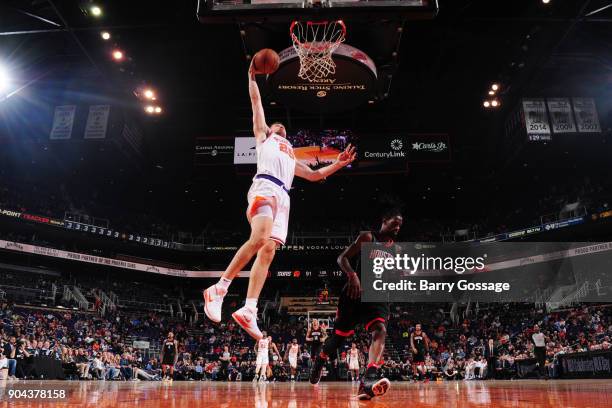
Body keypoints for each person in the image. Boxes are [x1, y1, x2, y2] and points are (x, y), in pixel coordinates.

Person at [203, 60, 356, 340]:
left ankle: (249, 309)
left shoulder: (291, 155)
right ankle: (219, 288)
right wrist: (251, 76)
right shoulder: (264, 137)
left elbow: (314, 175)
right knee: (260, 237)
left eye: (282, 125)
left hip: (284, 197)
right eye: (277, 124)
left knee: (269, 251)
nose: (280, 125)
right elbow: (256, 102)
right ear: (271, 131)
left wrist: (338, 163)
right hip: (265, 187)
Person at [310, 206, 403, 401]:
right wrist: (352, 275)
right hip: (354, 294)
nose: (397, 228)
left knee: (381, 330)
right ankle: (320, 359)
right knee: (337, 340)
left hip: (377, 296)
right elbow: (341, 258)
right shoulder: (368, 237)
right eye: (395, 224)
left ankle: (368, 380)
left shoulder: (397, 250)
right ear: (384, 220)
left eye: (400, 225)